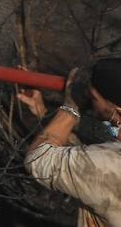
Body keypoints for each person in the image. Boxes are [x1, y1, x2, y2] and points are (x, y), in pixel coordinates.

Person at [18, 58, 121, 226]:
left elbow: (38, 159)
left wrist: (71, 107)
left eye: (93, 96)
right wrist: (44, 115)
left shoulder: (108, 164)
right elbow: (89, 160)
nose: (90, 101)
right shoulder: (108, 158)